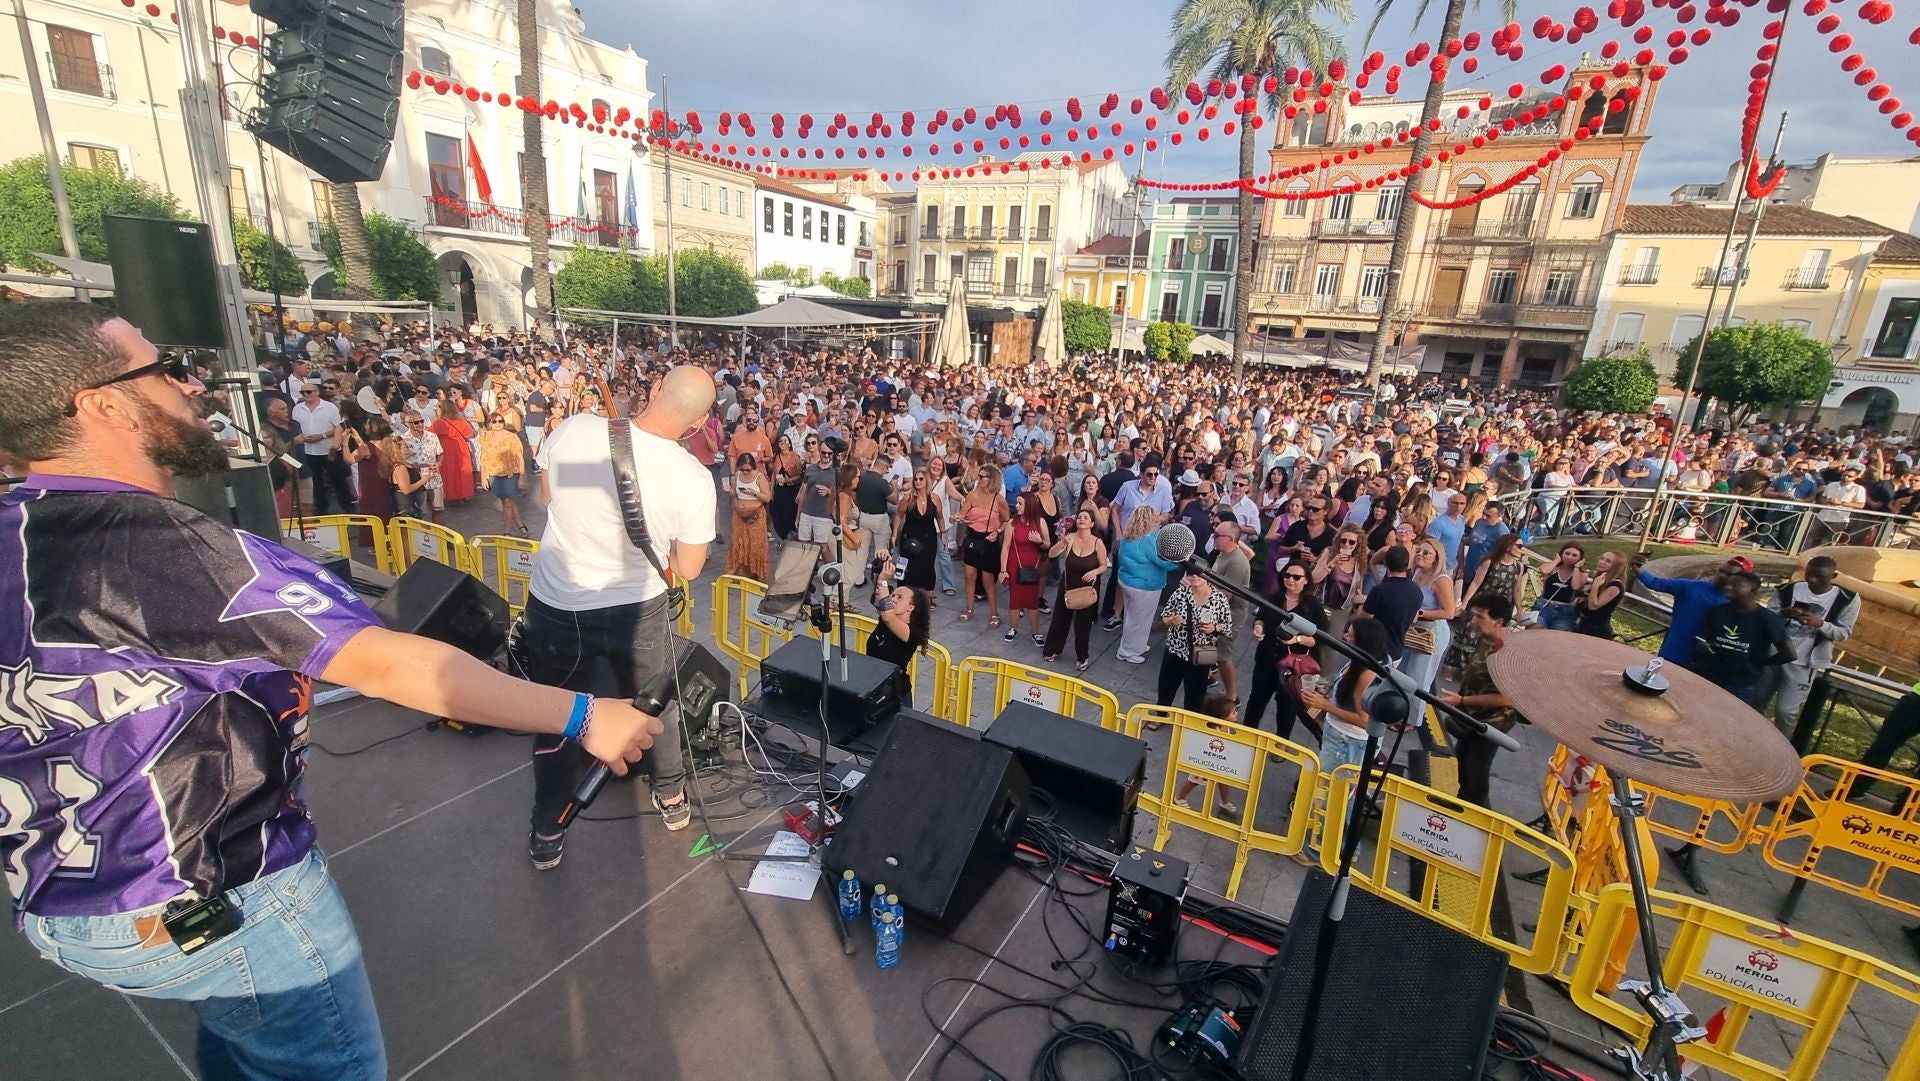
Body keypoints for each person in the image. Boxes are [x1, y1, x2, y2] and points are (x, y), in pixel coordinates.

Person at [0, 303, 659, 1080]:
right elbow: (395, 666)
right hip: (208, 893)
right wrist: (582, 711)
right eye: (161, 369)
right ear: (101, 403)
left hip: (58, 899)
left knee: (247, 1043)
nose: (190, 384)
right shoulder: (162, 546)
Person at [517, 365, 719, 870]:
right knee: (655, 705)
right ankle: (671, 795)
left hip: (558, 603)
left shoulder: (573, 431)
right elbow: (689, 568)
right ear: (697, 426)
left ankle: (548, 828)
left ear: (653, 390)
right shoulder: (693, 479)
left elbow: (549, 497)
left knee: (557, 714)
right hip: (639, 608)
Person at [1758, 554, 1859, 733]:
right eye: (1809, 574)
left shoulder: (1848, 599)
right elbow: (1767, 619)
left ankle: (1784, 749)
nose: (1812, 580)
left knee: (1786, 711)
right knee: (1757, 700)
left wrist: (1821, 624)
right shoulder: (1787, 589)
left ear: (1833, 577)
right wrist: (1783, 613)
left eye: (1819, 576)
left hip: (1804, 663)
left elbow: (1843, 633)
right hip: (1774, 655)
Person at [1440, 594, 1521, 811]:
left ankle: (1477, 813)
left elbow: (1506, 698)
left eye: (1480, 617)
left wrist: (1463, 699)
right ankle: (1462, 802)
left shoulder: (1507, 651)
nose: (1474, 621)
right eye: (1474, 615)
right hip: (1473, 716)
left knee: (1476, 768)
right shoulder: (1485, 639)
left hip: (1492, 723)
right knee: (1464, 761)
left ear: (1499, 621)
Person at [1246, 561, 1328, 741]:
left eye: (1297, 577)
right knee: (1257, 699)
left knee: (1287, 705)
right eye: (1287, 575)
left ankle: (1281, 743)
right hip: (1266, 659)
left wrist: (1296, 639)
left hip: (1293, 666)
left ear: (1306, 581)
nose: (1291, 580)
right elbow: (1260, 618)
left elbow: (1320, 638)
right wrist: (1258, 627)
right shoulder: (1274, 598)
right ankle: (1246, 736)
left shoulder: (1312, 606)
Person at [1630, 552, 1753, 668]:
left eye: (1729, 574)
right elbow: (1654, 583)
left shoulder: (1741, 606)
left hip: (1709, 666)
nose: (1722, 576)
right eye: (1721, 571)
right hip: (1673, 654)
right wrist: (1637, 566)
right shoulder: (1690, 586)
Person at [1696, 570, 1795, 706]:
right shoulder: (1718, 611)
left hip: (1741, 684)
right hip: (1709, 676)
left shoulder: (1767, 619)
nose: (1728, 587)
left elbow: (1789, 654)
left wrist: (1759, 662)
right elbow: (1705, 637)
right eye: (1728, 584)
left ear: (1753, 591)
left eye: (1736, 585)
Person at [1155, 569, 1233, 714]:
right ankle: (1160, 715)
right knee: (1166, 686)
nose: (1195, 576)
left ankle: (1190, 723)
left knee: (1196, 693)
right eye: (1191, 573)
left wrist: (1213, 628)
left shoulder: (1219, 598)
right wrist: (1170, 621)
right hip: (1176, 649)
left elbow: (1227, 626)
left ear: (1208, 576)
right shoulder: (1181, 593)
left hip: (1203, 652)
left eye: (1199, 573)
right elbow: (1165, 617)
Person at [1042, 508, 1110, 671]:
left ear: (1092, 523)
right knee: (1060, 618)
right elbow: (1051, 555)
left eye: (1086, 518)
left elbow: (1103, 566)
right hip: (1068, 584)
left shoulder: (1097, 542)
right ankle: (1052, 649)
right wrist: (1062, 543)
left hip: (1087, 587)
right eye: (1079, 517)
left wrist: (1094, 572)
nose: (1081, 519)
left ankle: (1082, 656)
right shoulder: (1070, 538)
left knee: (1083, 625)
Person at [1115, 506, 1177, 664]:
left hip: (1128, 581)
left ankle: (1137, 646)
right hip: (1145, 586)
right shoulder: (1149, 541)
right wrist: (1177, 562)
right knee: (1140, 620)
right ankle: (1128, 652)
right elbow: (1165, 563)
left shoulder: (1128, 536)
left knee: (1132, 617)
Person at [291, 381, 356, 514]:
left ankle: (348, 508)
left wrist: (322, 435)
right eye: (302, 392)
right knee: (316, 482)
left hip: (329, 450)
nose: (305, 395)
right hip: (309, 451)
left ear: (317, 392)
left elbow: (339, 426)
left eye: (308, 392)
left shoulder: (330, 408)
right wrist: (301, 437)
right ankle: (321, 510)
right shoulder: (297, 409)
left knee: (337, 480)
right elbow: (295, 427)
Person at [958, 465, 1010, 625]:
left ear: (992, 479)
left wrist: (998, 531)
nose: (979, 479)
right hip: (973, 537)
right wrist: (958, 518)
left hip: (989, 540)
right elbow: (962, 513)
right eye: (979, 476)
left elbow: (1007, 520)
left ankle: (994, 613)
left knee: (988, 580)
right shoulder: (972, 496)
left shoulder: (999, 499)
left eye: (983, 477)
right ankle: (969, 608)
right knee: (969, 576)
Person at [1209, 519, 1254, 701]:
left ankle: (1232, 696)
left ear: (1229, 539)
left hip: (1229, 617)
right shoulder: (1223, 553)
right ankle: (1210, 678)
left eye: (1217, 535)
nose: (1214, 536)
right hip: (1217, 612)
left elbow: (1225, 595)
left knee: (1223, 657)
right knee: (1211, 649)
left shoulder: (1236, 563)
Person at [1001, 491, 1051, 647]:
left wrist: (1039, 540)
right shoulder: (1012, 523)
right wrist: (1003, 570)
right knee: (1015, 599)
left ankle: (1036, 632)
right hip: (1015, 565)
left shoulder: (1040, 522)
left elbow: (1047, 545)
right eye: (1017, 503)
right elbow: (1006, 547)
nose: (1016, 506)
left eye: (1020, 503)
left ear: (1029, 505)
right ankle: (1013, 628)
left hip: (1033, 566)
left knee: (1032, 601)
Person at [866, 562, 930, 674]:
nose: (893, 599)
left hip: (894, 688)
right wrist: (880, 570)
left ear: (911, 607)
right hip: (871, 681)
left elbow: (888, 617)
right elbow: (878, 600)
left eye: (899, 597)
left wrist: (883, 580)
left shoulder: (914, 632)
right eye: (893, 595)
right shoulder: (886, 616)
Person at [1363, 545, 1424, 661]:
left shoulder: (1380, 590)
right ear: (1407, 564)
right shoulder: (1417, 592)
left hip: (1374, 650)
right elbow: (1414, 619)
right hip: (1396, 652)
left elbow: (1365, 618)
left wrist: (1362, 602)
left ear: (1385, 563)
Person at [476, 411, 529, 537]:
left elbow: (519, 457)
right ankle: (521, 524)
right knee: (507, 501)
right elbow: (483, 458)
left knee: (507, 502)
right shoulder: (485, 437)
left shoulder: (511, 437)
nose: (498, 424)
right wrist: (483, 477)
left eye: (501, 421)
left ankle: (507, 531)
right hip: (494, 474)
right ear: (489, 423)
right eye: (494, 421)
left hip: (510, 473)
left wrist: (522, 476)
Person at [892, 467, 944, 593]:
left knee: (928, 566)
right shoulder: (908, 499)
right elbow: (899, 516)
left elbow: (940, 517)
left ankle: (928, 595)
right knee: (908, 566)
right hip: (910, 536)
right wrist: (894, 535)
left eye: (921, 479)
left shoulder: (934, 498)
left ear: (926, 480)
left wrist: (943, 533)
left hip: (928, 537)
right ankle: (904, 593)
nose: (917, 481)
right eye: (915, 479)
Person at [726, 452, 770, 582]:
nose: (745, 472)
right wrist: (730, 491)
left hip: (755, 514)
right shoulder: (737, 475)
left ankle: (756, 572)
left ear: (753, 467)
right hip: (739, 514)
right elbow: (735, 493)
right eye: (742, 469)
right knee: (737, 542)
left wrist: (754, 493)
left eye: (748, 470)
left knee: (755, 543)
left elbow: (767, 497)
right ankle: (739, 572)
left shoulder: (759, 477)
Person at [1531, 542, 1588, 631]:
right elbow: (1544, 571)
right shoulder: (1553, 567)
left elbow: (1576, 586)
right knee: (1535, 632)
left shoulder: (1582, 574)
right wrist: (1557, 560)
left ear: (1580, 558)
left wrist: (1576, 567)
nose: (1570, 557)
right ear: (1562, 553)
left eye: (1574, 555)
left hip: (1565, 611)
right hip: (1544, 606)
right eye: (1567, 553)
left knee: (1557, 639)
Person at [1575, 550, 1628, 638]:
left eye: (1608, 561)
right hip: (1583, 624)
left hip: (1597, 630)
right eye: (1602, 559)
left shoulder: (1615, 585)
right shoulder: (1602, 579)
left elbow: (1593, 606)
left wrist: (1595, 586)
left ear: (1616, 566)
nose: (1602, 562)